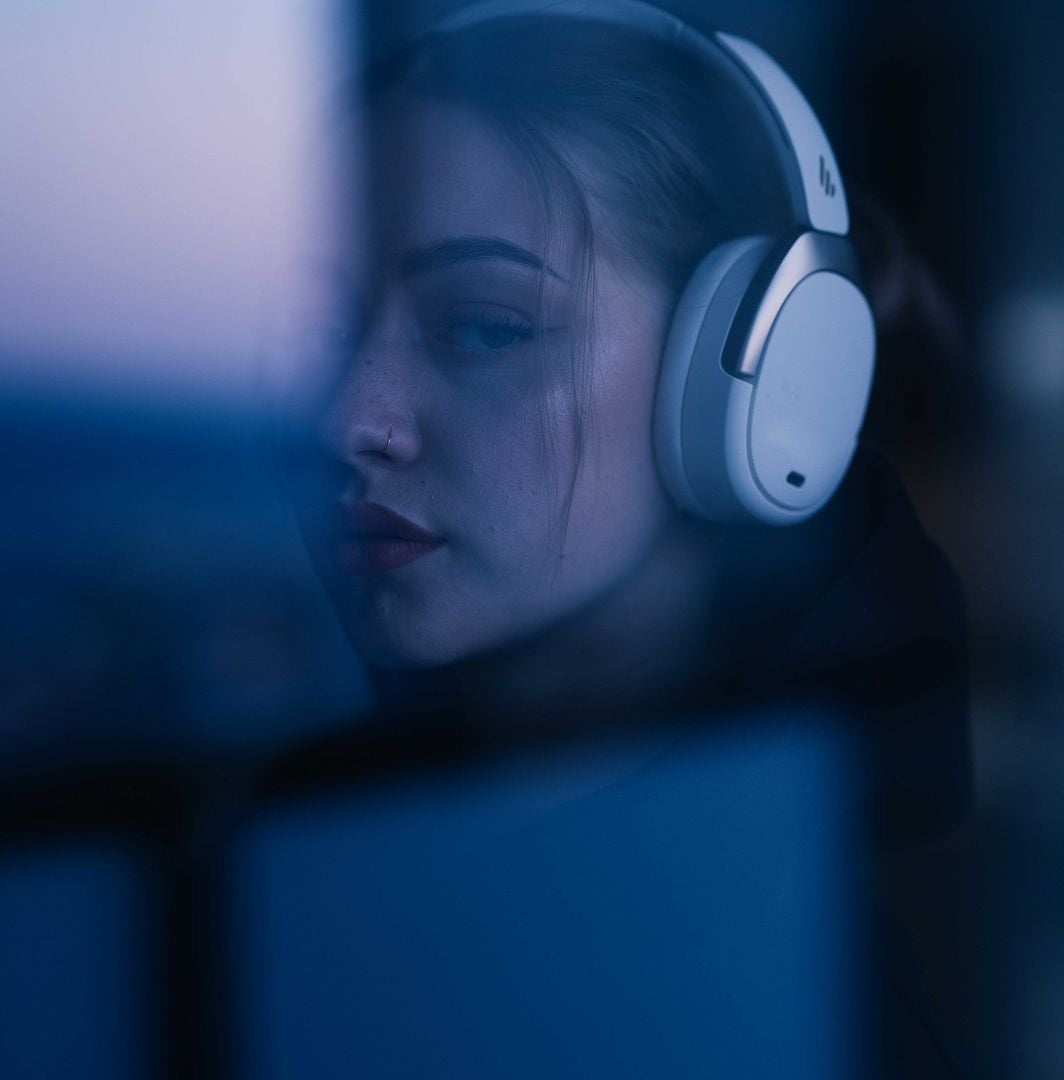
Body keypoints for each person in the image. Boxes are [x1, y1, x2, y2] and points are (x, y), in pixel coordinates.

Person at [275, 3, 972, 1074]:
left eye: (484, 326)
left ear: (754, 378)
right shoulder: (306, 837)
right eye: (326, 330)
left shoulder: (853, 978)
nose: (348, 420)